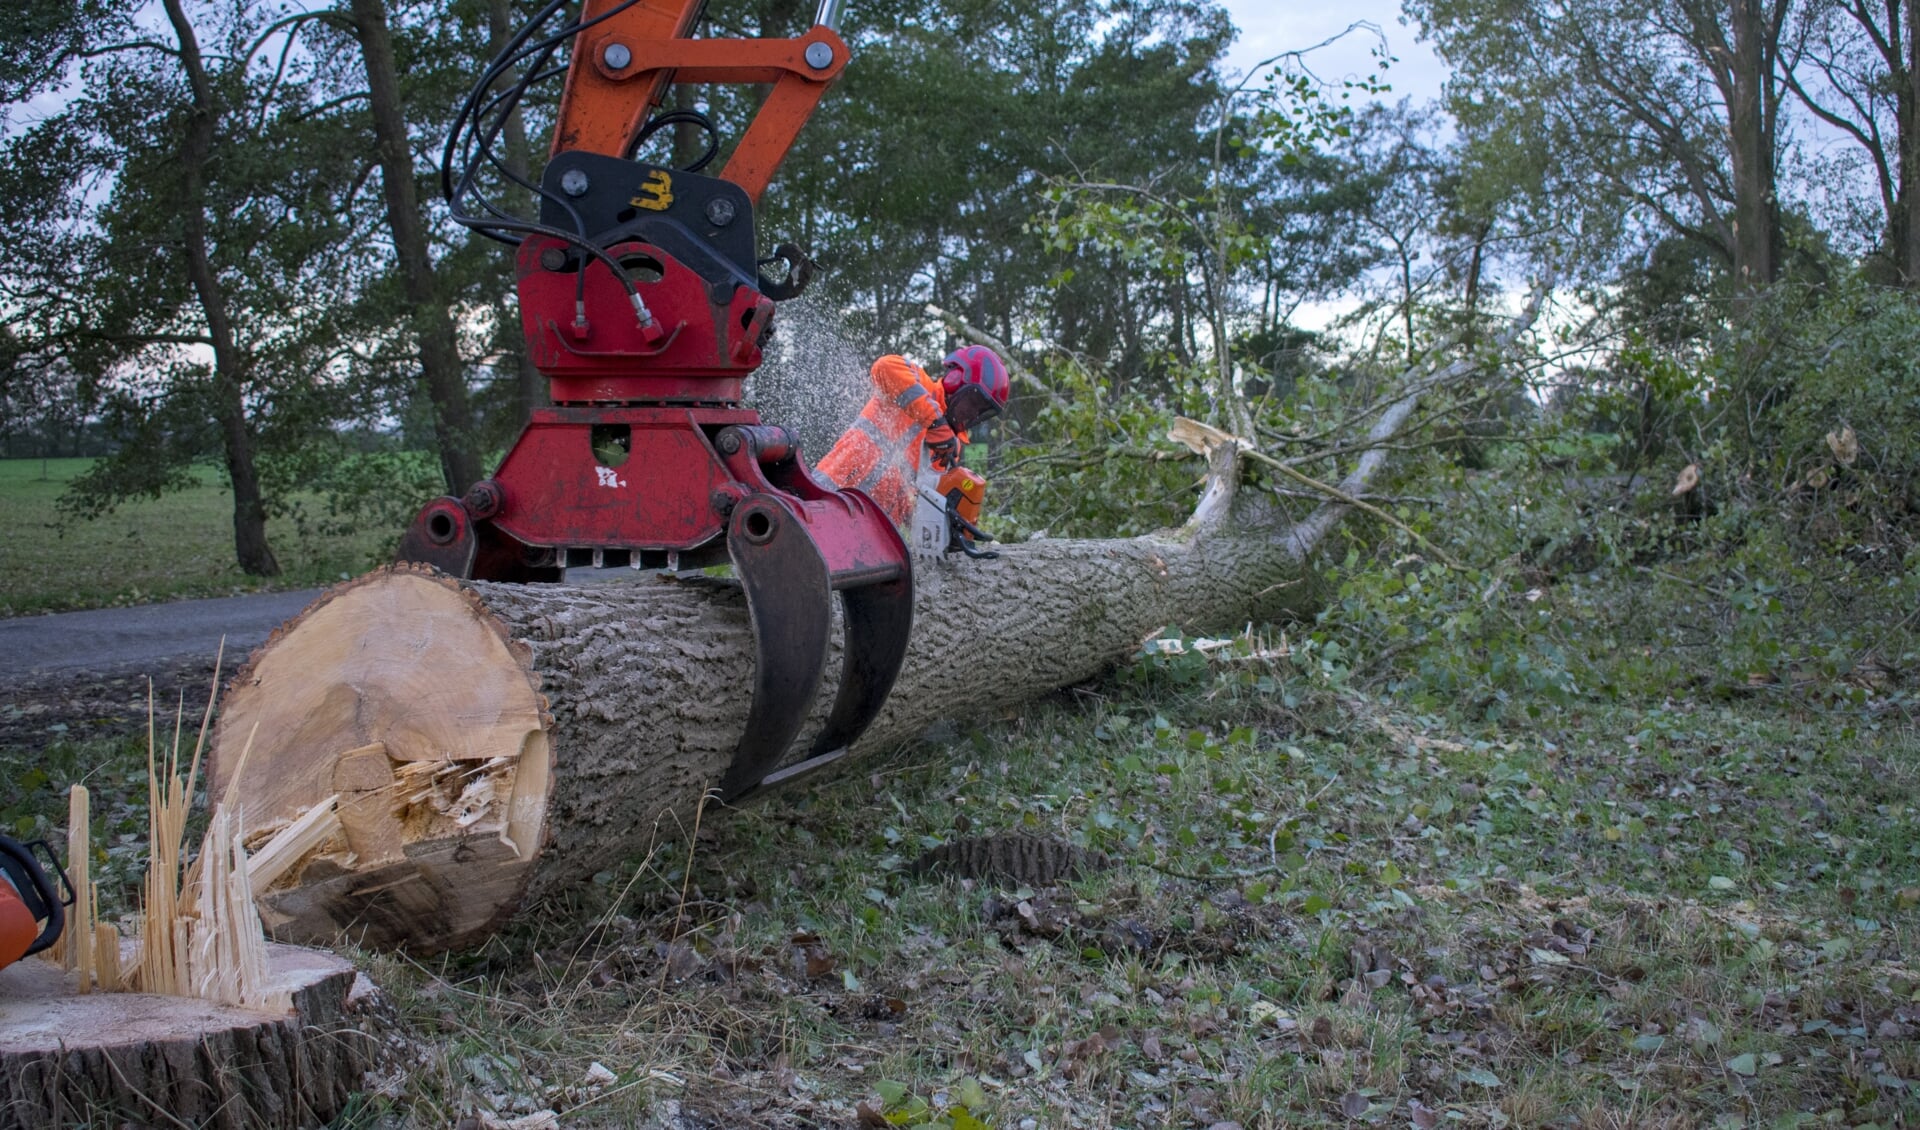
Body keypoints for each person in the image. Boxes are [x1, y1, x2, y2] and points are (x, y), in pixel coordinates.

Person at [817, 345, 1010, 530]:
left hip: (868, 534)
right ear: (955, 380)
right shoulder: (918, 387)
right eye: (973, 402)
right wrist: (934, 422)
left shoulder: (950, 449)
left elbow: (921, 505)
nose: (973, 413)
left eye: (981, 410)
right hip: (824, 497)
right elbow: (883, 366)